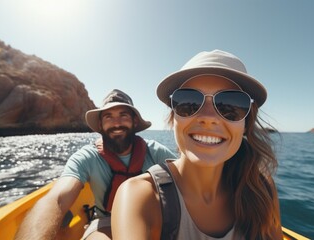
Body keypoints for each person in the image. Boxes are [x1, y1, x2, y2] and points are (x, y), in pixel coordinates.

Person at [111, 50, 283, 239]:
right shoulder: (140, 196)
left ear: (245, 124)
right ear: (173, 118)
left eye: (230, 106)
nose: (208, 118)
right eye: (188, 102)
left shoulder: (262, 189)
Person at [15, 89, 176, 240]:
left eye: (123, 115)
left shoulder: (155, 151)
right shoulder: (86, 157)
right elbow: (57, 198)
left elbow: (189, 177)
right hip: (106, 221)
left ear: (134, 121)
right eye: (108, 117)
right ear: (100, 125)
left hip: (154, 218)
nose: (116, 123)